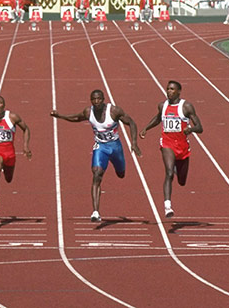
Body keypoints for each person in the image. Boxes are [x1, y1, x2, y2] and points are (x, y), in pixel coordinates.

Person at [51, 90, 141, 222]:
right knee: (97, 174)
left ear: (103, 99)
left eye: (99, 99)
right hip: (101, 147)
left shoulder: (114, 111)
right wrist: (61, 116)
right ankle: (95, 212)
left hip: (115, 147)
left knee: (121, 174)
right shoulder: (89, 112)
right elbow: (77, 117)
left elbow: (131, 123)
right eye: (93, 99)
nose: (96, 101)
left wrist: (134, 143)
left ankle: (119, 168)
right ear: (91, 101)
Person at [139, 81, 203, 218]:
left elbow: (200, 128)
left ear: (179, 91)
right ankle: (167, 206)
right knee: (168, 173)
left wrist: (190, 129)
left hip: (182, 146)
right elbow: (158, 119)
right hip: (167, 144)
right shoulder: (162, 106)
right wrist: (146, 128)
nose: (169, 91)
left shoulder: (186, 107)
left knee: (182, 181)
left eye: (172, 89)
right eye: (168, 88)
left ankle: (175, 168)